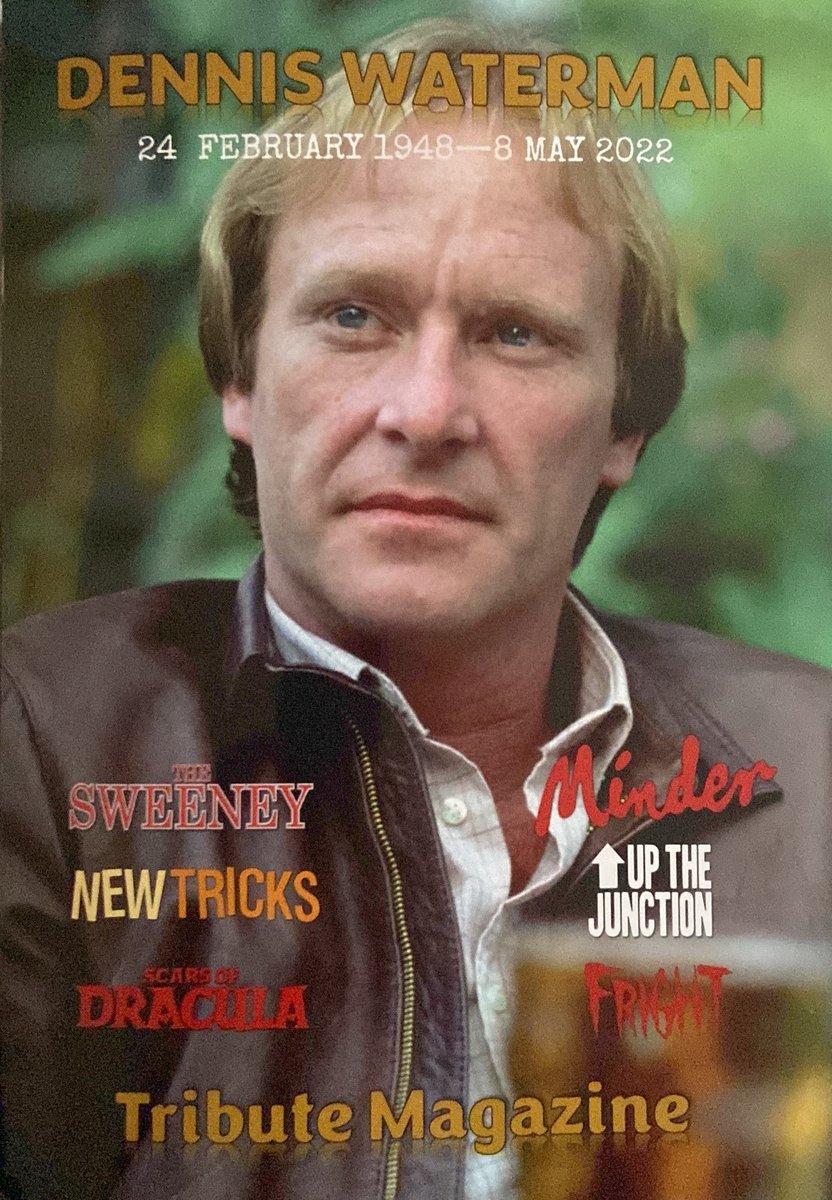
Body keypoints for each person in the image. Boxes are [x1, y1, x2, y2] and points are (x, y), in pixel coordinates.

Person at [2, 19, 829, 1200]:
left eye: (515, 333)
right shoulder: (38, 747)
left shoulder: (815, 773)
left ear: (624, 425)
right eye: (353, 316)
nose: (426, 410)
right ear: (239, 378)